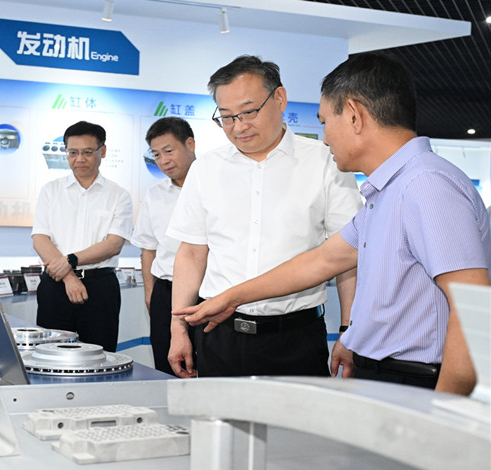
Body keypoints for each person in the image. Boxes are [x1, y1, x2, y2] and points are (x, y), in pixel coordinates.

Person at [174, 52, 490, 395]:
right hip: (384, 373)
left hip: (415, 379)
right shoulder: (389, 191)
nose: (324, 138)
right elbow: (323, 260)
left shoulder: (425, 185)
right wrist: (231, 298)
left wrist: (443, 411)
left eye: (325, 122)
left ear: (353, 115)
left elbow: (475, 307)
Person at [166, 55, 363, 379]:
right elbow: (191, 253)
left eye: (248, 112)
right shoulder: (206, 169)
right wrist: (178, 329)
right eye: (226, 117)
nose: (238, 127)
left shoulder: (325, 162)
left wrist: (348, 328)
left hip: (296, 338)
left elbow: (347, 257)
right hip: (219, 337)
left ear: (280, 98)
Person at [31, 120, 133, 352]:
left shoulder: (119, 195)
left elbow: (113, 244)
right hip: (55, 285)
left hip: (100, 287)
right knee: (50, 356)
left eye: (87, 152)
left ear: (102, 151)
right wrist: (69, 277)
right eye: (73, 153)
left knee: (100, 355)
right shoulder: (50, 191)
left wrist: (70, 261)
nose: (79, 159)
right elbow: (40, 239)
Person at [131, 117, 197, 375]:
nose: (163, 160)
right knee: (167, 368)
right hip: (166, 294)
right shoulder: (155, 194)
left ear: (190, 144)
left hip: (208, 292)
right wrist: (150, 296)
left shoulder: (215, 186)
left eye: (169, 151)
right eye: (156, 155)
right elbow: (148, 249)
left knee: (209, 368)